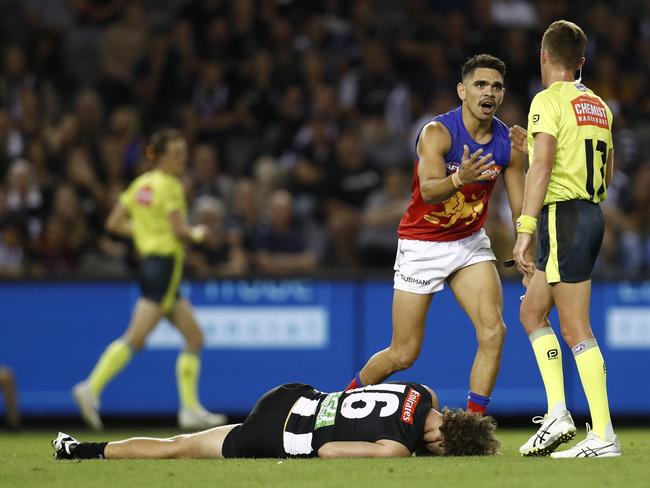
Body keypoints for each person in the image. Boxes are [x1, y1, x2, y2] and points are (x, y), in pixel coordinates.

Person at [345, 54, 527, 415]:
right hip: (421, 244)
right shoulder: (437, 132)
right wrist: (461, 178)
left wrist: (526, 243)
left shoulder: (509, 144)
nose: (488, 92)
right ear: (462, 91)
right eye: (480, 84)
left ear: (502, 95)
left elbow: (520, 209)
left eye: (496, 86)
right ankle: (339, 403)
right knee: (404, 353)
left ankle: (472, 427)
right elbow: (427, 190)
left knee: (494, 331)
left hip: (469, 243)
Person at [511, 20, 620, 458]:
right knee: (532, 312)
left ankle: (604, 435)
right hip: (590, 214)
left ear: (543, 55)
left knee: (575, 327)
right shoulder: (599, 106)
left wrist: (525, 227)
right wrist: (532, 151)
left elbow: (543, 168)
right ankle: (558, 414)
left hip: (563, 217)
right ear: (580, 62)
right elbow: (607, 174)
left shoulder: (547, 100)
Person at [73, 129, 225, 431]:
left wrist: (146, 233)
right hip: (165, 267)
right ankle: (90, 388)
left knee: (194, 337)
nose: (183, 159)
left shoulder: (141, 185)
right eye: (177, 154)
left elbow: (113, 223)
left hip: (153, 265)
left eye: (184, 152)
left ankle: (190, 409)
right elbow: (181, 231)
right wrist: (200, 234)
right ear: (163, 156)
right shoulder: (171, 186)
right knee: (136, 338)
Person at [53, 381, 499, 460]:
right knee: (180, 447)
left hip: (291, 395)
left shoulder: (423, 393)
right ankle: (79, 451)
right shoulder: (398, 449)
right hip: (279, 434)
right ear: (443, 444)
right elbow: (328, 451)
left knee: (182, 443)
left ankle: (77, 449)